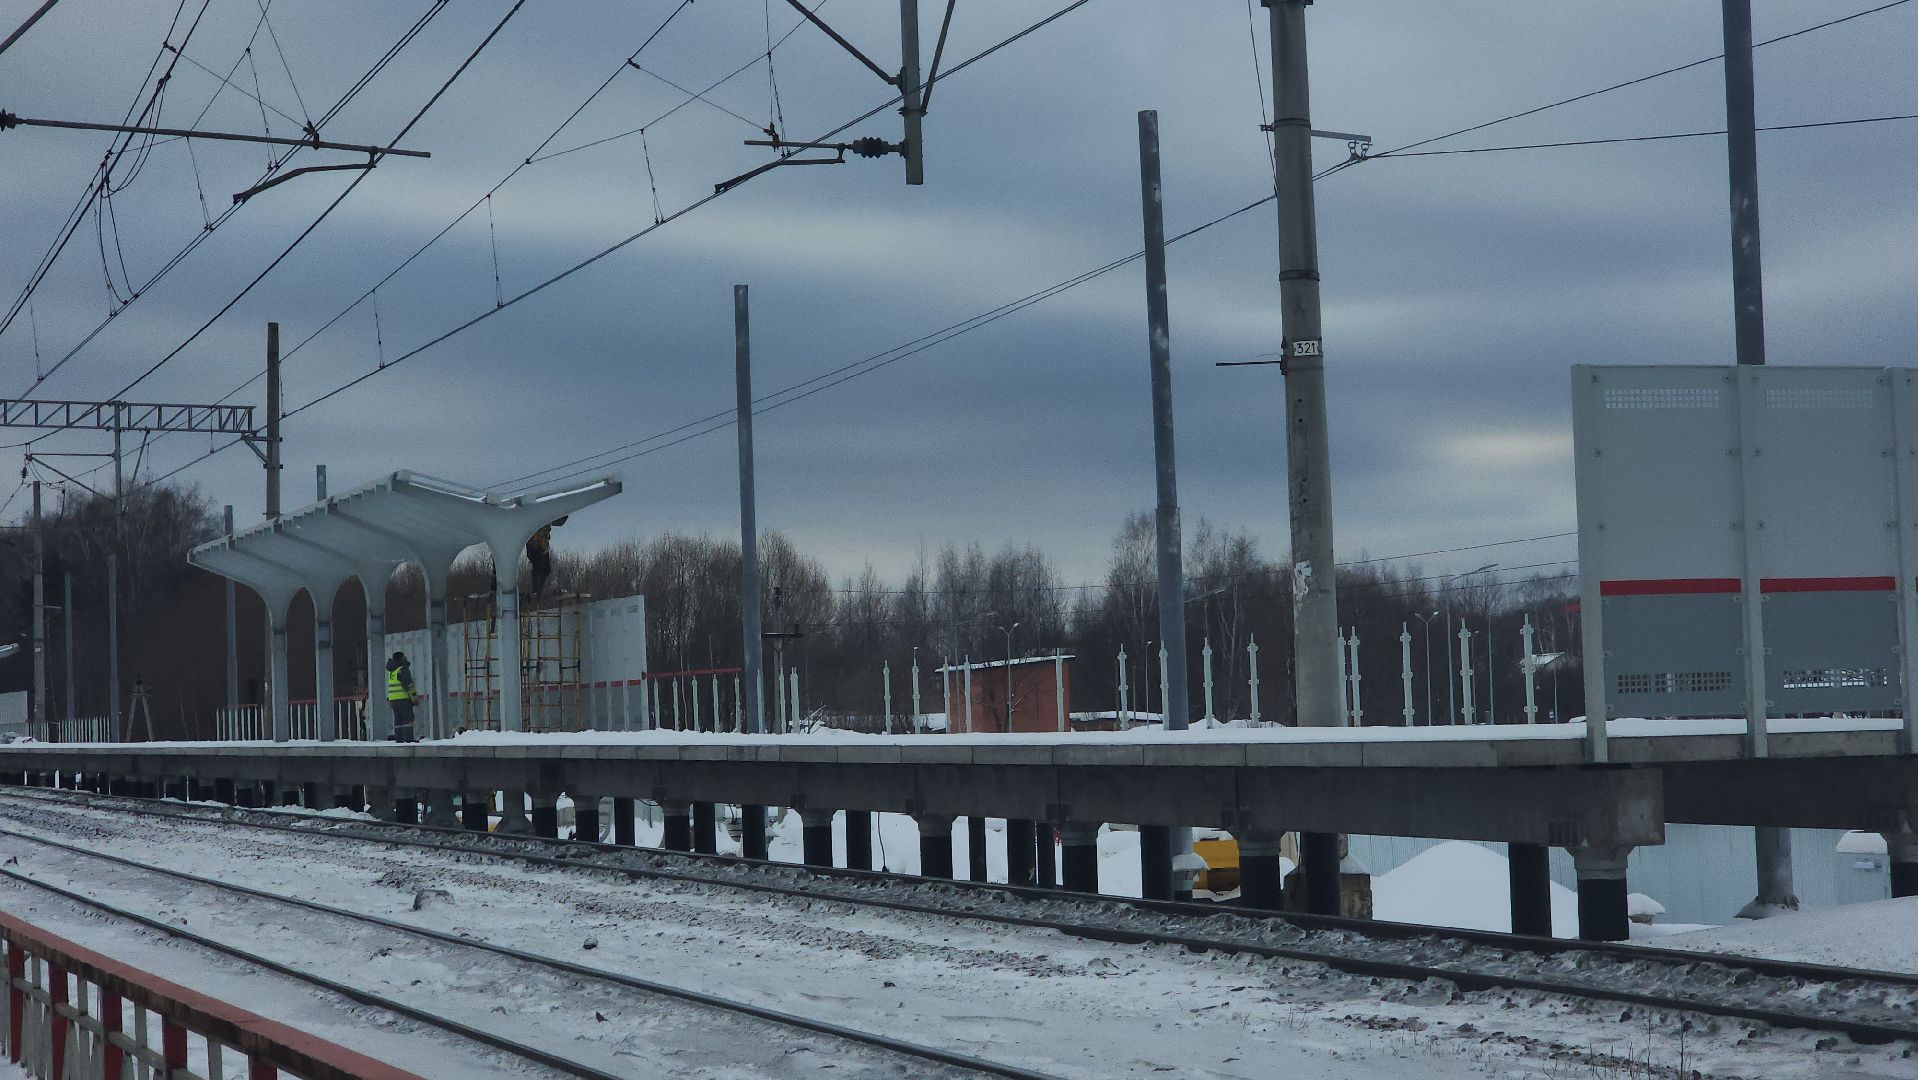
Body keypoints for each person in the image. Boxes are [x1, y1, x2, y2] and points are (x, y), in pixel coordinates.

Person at [524, 515, 567, 599]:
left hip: (543, 548)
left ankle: (538, 588)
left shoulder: (547, 518)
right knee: (538, 567)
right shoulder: (535, 520)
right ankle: (536, 589)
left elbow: (560, 521)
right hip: (534, 547)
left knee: (546, 569)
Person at [386, 651, 422, 743]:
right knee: (408, 720)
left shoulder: (392, 671)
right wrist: (414, 699)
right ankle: (408, 740)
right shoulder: (403, 670)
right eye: (404, 657)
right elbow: (409, 686)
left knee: (398, 720)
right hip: (403, 699)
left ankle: (399, 739)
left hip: (393, 700)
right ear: (401, 659)